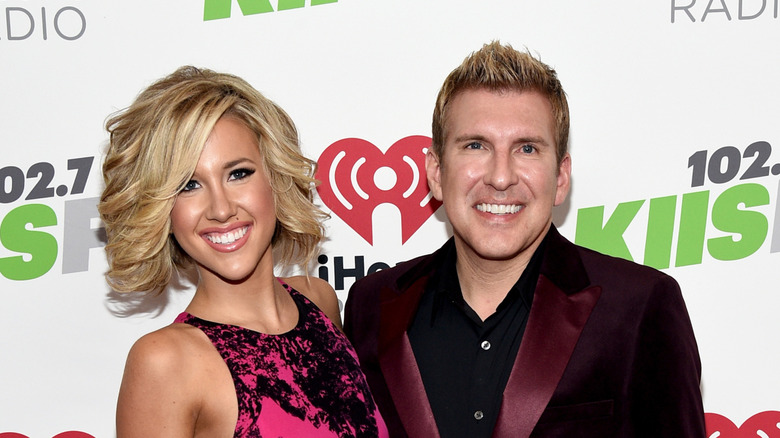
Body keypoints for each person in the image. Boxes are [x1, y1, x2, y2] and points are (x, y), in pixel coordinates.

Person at [343, 42, 706, 437]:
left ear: (561, 177)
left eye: (527, 148)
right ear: (436, 172)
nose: (501, 177)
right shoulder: (371, 307)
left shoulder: (639, 307)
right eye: (476, 146)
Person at [100, 66, 388, 437]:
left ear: (275, 177)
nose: (221, 209)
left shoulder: (319, 300)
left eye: (238, 173)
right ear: (162, 209)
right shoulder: (166, 362)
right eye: (189, 185)